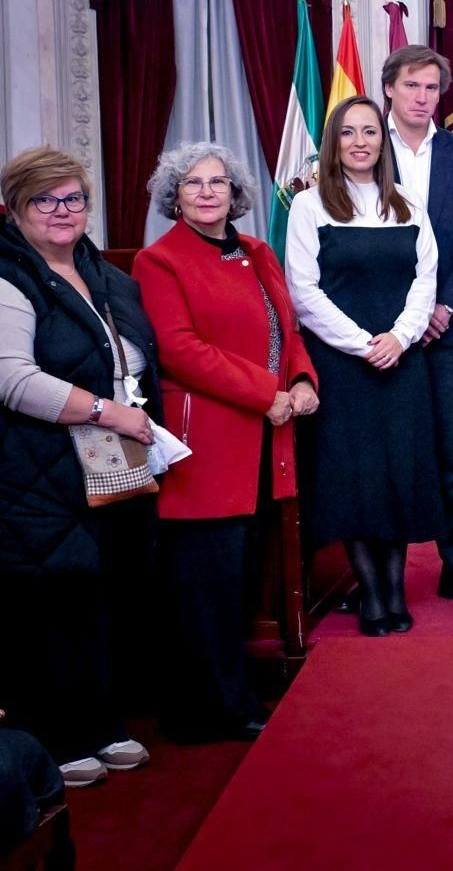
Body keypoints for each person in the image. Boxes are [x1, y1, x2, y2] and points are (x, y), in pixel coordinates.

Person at [133, 142, 319, 742]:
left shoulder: (257, 250)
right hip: (206, 446)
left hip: (268, 441)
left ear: (236, 194)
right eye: (194, 183)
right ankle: (206, 713)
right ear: (175, 197)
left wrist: (301, 379)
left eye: (219, 182)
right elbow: (180, 349)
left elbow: (284, 328)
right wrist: (269, 391)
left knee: (238, 582)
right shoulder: (159, 261)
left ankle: (233, 699)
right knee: (201, 587)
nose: (209, 192)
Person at [0, 147, 159, 786]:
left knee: (98, 594)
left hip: (102, 466)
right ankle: (53, 740)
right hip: (35, 467)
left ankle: (102, 725)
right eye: (46, 200)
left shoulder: (99, 270)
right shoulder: (11, 275)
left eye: (74, 199)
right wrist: (108, 412)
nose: (63, 212)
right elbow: (11, 378)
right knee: (47, 602)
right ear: (15, 209)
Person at [286, 96, 443, 637]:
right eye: (348, 132)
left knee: (398, 474)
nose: (360, 142)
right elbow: (303, 293)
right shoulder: (310, 207)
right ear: (334, 143)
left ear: (383, 140)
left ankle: (396, 591)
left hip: (401, 360)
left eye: (370, 132)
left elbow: (426, 280)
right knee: (355, 479)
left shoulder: (406, 204)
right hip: (344, 363)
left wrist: (399, 338)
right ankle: (372, 596)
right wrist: (362, 344)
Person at [382, 44, 453, 611]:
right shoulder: (362, 147)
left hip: (448, 331)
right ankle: (386, 580)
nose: (423, 98)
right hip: (380, 335)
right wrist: (402, 320)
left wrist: (446, 306)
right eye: (412, 86)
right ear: (389, 89)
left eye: (432, 88)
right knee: (392, 455)